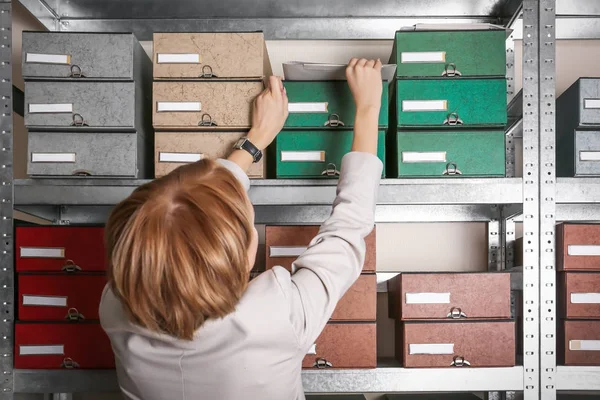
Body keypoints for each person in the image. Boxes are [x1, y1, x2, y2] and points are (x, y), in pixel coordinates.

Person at [100, 58, 384, 400]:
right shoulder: (279, 316)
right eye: (248, 222)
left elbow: (177, 215)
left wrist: (255, 141)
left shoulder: (116, 310)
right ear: (242, 256)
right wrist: (368, 108)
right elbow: (347, 228)